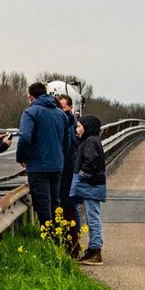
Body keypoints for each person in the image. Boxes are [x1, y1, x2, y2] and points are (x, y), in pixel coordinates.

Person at [16, 82, 72, 225]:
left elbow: (24, 137)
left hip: (38, 166)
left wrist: (21, 157)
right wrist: (61, 158)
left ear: (31, 97)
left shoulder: (31, 113)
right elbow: (67, 142)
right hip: (57, 165)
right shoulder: (61, 114)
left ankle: (48, 238)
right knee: (55, 203)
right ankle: (57, 239)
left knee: (42, 205)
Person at [71, 115, 106, 265]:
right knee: (92, 217)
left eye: (79, 126)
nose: (77, 129)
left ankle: (95, 251)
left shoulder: (91, 141)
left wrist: (81, 175)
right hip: (93, 185)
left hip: (91, 185)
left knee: (93, 218)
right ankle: (93, 250)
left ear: (88, 127)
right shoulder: (90, 140)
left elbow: (90, 161)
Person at [55, 94, 82, 256]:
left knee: (69, 206)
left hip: (68, 171)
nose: (62, 112)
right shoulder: (69, 121)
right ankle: (72, 243)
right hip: (67, 169)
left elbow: (70, 147)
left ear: (70, 108)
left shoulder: (70, 122)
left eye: (64, 108)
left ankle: (73, 245)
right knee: (68, 207)